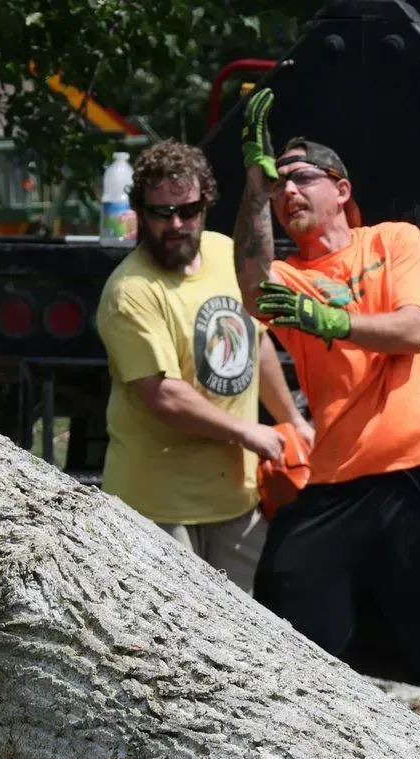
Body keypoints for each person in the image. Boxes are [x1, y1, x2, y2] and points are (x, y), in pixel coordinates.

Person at [230, 88, 420, 693]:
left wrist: (330, 321)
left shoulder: (393, 241)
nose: (287, 191)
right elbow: (250, 283)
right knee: (288, 600)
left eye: (301, 179)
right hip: (336, 478)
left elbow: (411, 328)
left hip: (418, 468)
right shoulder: (290, 279)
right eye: (278, 185)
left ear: (341, 189)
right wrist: (251, 184)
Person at [95, 139, 313, 593]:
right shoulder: (130, 290)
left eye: (188, 209)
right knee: (167, 643)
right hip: (157, 507)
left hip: (237, 501)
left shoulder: (223, 254)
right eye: (161, 213)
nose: (176, 224)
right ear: (140, 212)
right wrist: (249, 432)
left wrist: (292, 420)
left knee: (239, 642)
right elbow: (163, 395)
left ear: (205, 205)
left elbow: (257, 344)